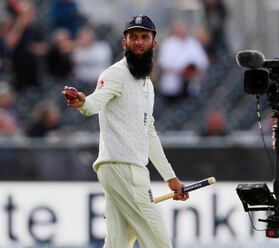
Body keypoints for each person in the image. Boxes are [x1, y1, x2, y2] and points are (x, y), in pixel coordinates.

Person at [62, 15, 189, 248]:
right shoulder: (115, 74)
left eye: (144, 37)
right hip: (123, 168)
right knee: (160, 243)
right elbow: (92, 104)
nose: (138, 42)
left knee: (117, 244)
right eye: (133, 37)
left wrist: (170, 177)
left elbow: (148, 133)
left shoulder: (147, 85)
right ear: (124, 43)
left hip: (126, 171)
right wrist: (82, 102)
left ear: (154, 43)